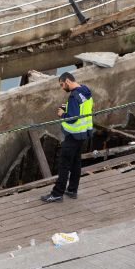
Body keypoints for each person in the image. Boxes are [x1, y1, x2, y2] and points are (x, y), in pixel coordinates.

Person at [40, 72, 93, 203]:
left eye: (62, 84)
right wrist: (67, 109)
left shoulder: (74, 96)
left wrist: (63, 114)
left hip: (73, 136)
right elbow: (83, 109)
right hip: (83, 133)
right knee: (76, 163)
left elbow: (73, 119)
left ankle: (57, 193)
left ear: (68, 81)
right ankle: (72, 190)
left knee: (64, 165)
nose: (62, 87)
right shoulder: (85, 90)